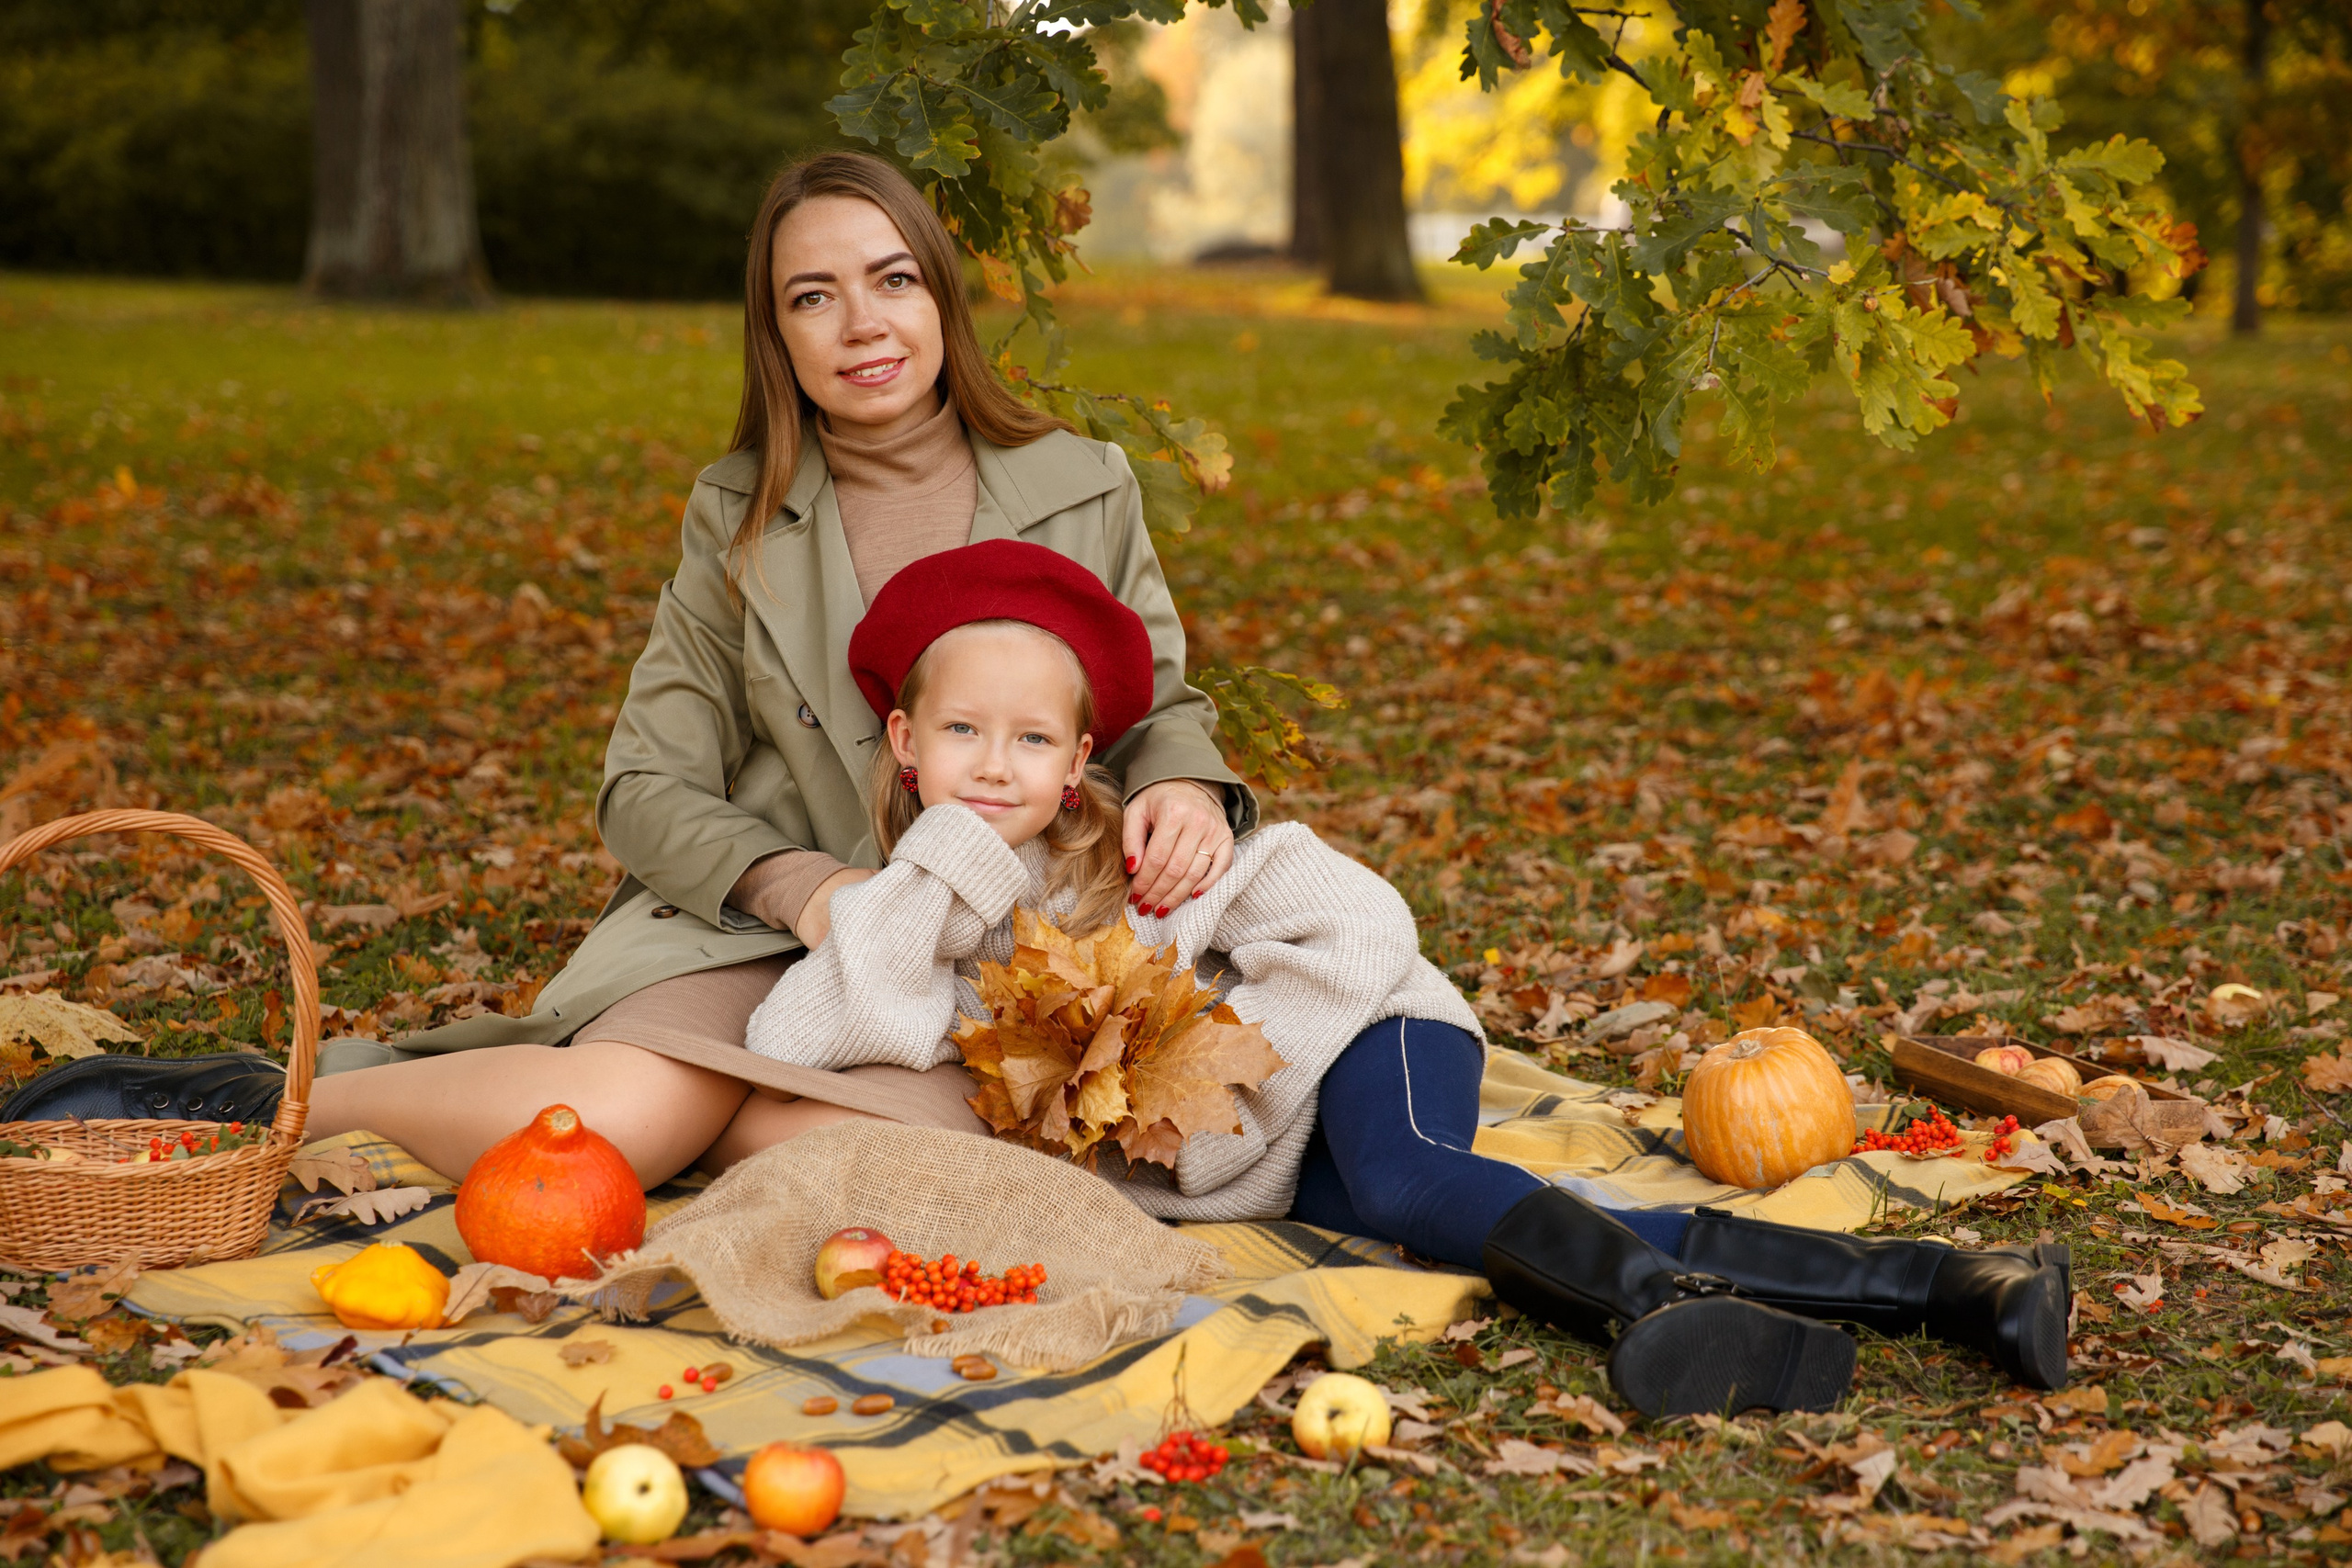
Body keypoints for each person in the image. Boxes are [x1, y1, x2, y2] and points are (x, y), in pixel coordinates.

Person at [3, 150, 1249, 1188]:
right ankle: (249, 1113)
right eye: (814, 296)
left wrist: (1184, 787)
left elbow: (1163, 704)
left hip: (984, 960)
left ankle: (709, 1119)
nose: (863, 324)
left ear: (942, 300)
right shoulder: (742, 517)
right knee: (605, 1133)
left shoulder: (1083, 486)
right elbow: (644, 785)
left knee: (993, 1163)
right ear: (778, 333)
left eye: (893, 281)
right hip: (760, 937)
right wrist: (804, 891)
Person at [724, 537, 2072, 1416]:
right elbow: (817, 1028)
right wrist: (945, 858)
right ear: (905, 741)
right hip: (1270, 1160)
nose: (997, 764)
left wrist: (1216, 1061)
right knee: (1449, 1211)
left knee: (1418, 1177)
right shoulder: (922, 909)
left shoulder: (1156, 864)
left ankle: (1665, 1319)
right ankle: (1947, 1284)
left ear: (1081, 762)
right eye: (962, 733)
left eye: (1030, 738)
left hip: (1377, 1042)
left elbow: (1365, 927)